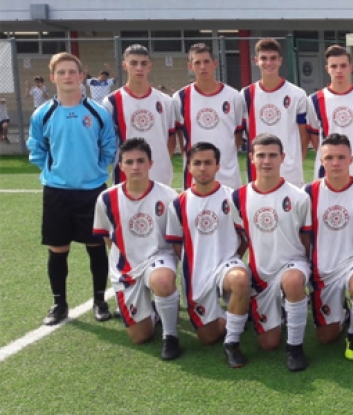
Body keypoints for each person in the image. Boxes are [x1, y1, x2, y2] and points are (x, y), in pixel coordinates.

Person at [27, 52, 118, 326]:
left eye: (72, 71)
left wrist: (96, 169)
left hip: (92, 191)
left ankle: (100, 301)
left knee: (95, 247)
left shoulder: (97, 112)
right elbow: (36, 148)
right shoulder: (43, 113)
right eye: (61, 72)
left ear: (81, 76)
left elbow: (109, 145)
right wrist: (53, 170)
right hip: (57, 192)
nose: (67, 76)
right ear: (53, 77)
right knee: (58, 249)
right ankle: (59, 304)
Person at [165, 141, 253, 368]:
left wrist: (233, 258)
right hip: (197, 274)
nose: (202, 168)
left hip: (227, 265)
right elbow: (176, 244)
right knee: (208, 337)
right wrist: (193, 263)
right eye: (197, 163)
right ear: (189, 167)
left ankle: (232, 343)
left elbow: (245, 237)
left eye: (208, 163)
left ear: (217, 166)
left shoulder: (232, 198)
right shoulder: (178, 203)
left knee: (240, 279)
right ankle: (238, 311)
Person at [92, 138, 181, 359]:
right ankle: (156, 312)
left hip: (158, 258)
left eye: (141, 161)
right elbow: (107, 237)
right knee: (140, 336)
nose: (135, 167)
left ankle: (170, 336)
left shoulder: (168, 196)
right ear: (120, 165)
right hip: (126, 269)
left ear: (150, 163)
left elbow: (177, 238)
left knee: (162, 281)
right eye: (129, 162)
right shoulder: (106, 199)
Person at [231, 133, 313, 371]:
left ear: (282, 158)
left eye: (272, 155)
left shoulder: (299, 197)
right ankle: (280, 309)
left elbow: (306, 238)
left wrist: (308, 270)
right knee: (268, 343)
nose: (266, 161)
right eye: (261, 155)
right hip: (261, 273)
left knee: (293, 281)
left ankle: (295, 347)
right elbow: (241, 237)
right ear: (251, 158)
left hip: (293, 264)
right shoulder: (238, 197)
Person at [302, 133, 353, 361]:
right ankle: (343, 312)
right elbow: (303, 236)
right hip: (323, 267)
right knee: (326, 337)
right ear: (321, 160)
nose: (335, 163)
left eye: (341, 157)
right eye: (329, 158)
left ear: (351, 160)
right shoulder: (308, 193)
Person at [103, 44, 177, 186]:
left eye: (143, 63)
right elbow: (107, 142)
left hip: (160, 177)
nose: (139, 68)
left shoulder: (165, 101)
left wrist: (159, 162)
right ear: (124, 65)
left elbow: (171, 139)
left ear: (150, 66)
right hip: (126, 179)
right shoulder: (111, 102)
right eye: (133, 63)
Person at [173, 43, 245, 189]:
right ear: (190, 66)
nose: (202, 67)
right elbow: (180, 136)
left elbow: (237, 134)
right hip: (195, 179)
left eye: (206, 61)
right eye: (197, 63)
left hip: (228, 177)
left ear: (215, 64)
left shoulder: (233, 96)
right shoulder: (180, 98)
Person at [241, 38, 311, 187]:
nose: (269, 63)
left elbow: (304, 135)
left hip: (290, 173)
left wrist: (296, 163)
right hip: (258, 171)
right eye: (264, 58)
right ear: (256, 61)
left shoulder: (297, 94)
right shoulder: (246, 95)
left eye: (273, 58)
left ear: (280, 60)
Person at [308, 45, 353, 182]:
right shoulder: (315, 100)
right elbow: (314, 137)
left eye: (343, 66)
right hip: (326, 173)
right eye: (334, 66)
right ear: (327, 69)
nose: (339, 70)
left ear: (350, 68)